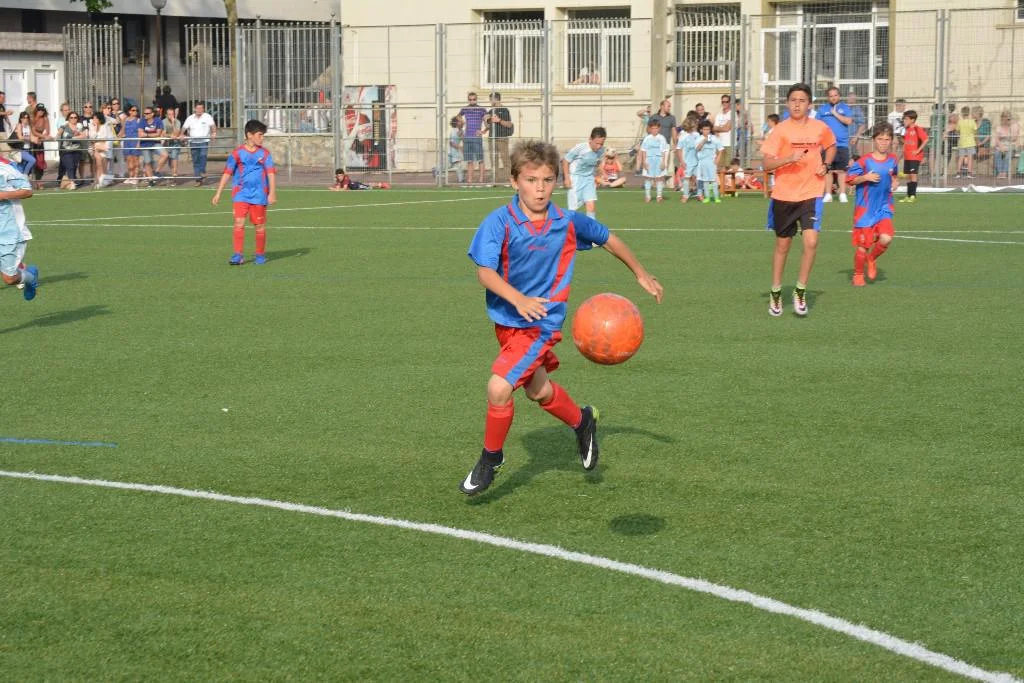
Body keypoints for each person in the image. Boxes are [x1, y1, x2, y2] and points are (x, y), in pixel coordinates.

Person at [459, 140, 664, 496]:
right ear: (514, 181)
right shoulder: (499, 222)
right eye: (531, 180)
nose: (540, 189)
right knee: (538, 390)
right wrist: (518, 299)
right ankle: (582, 421)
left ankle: (491, 459)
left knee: (498, 388)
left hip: (541, 322)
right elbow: (485, 273)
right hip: (508, 321)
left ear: (557, 180)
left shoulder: (566, 222)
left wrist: (640, 273)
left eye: (547, 180)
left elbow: (608, 238)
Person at [760, 82, 836, 317]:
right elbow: (766, 163)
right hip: (784, 195)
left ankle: (800, 290)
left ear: (809, 105)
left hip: (811, 193)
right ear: (787, 103)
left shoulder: (820, 127)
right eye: (793, 100)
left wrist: (826, 164)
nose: (797, 104)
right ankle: (775, 291)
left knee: (811, 242)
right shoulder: (780, 130)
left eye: (802, 101)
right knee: (783, 245)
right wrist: (787, 159)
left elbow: (831, 145)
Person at [212, 119, 277, 266]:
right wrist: (218, 193)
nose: (262, 138)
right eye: (260, 134)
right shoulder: (237, 153)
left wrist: (272, 193)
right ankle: (238, 255)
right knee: (238, 222)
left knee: (259, 226)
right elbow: (227, 173)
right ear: (249, 135)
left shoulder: (265, 153)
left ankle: (260, 255)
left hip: (259, 195)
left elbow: (271, 173)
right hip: (240, 194)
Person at [846, 122, 899, 287]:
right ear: (874, 140)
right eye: (880, 139)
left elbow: (894, 176)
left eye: (887, 139)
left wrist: (895, 182)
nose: (884, 143)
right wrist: (865, 177)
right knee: (863, 246)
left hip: (884, 207)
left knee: (886, 238)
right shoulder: (864, 161)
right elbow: (849, 179)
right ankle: (858, 275)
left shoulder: (893, 160)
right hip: (866, 210)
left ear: (891, 141)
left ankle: (871, 259)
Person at [0, 157, 40, 301]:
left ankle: (30, 277)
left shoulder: (5, 169)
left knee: (9, 279)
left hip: (10, 233)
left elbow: (27, 191)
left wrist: (3, 195)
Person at [816, 86, 854, 203]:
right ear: (828, 97)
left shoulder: (845, 108)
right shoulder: (822, 109)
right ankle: (828, 194)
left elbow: (849, 121)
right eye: (831, 96)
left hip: (842, 145)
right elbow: (817, 125)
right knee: (828, 170)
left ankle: (842, 194)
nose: (833, 98)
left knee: (841, 170)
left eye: (835, 95)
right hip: (827, 145)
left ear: (839, 96)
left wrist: (835, 114)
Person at [561, 126, 607, 217]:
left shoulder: (601, 150)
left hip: (589, 179)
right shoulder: (580, 148)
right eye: (597, 143)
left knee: (591, 206)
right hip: (575, 179)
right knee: (573, 209)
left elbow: (598, 163)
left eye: (601, 144)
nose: (599, 146)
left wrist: (603, 173)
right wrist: (567, 178)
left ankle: (591, 226)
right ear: (590, 139)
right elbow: (566, 161)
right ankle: (568, 225)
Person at [179, 102, 217, 186]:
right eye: (198, 108)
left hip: (204, 141)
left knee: (203, 157)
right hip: (193, 142)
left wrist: (214, 133)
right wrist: (181, 134)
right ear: (194, 109)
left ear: (203, 109)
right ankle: (198, 179)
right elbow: (184, 127)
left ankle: (202, 171)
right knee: (195, 160)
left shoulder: (207, 117)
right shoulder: (190, 118)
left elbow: (213, 126)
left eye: (201, 108)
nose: (199, 110)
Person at [898, 110, 928, 203]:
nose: (904, 120)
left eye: (906, 119)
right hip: (907, 156)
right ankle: (908, 195)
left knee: (913, 175)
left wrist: (918, 150)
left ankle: (913, 196)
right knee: (908, 176)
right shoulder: (906, 129)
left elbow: (926, 139)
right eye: (904, 119)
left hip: (915, 157)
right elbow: (906, 141)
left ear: (912, 120)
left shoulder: (917, 129)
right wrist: (901, 139)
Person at [637, 119, 670, 203]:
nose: (654, 130)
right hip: (649, 159)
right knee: (648, 178)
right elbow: (644, 150)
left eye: (656, 128)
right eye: (652, 128)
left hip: (659, 159)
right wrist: (644, 162)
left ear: (659, 129)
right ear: (650, 129)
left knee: (659, 178)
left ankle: (659, 196)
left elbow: (664, 151)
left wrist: (663, 162)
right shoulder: (647, 138)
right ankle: (648, 196)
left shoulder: (662, 138)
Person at [458, 92, 488, 184]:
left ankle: (481, 180)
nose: (472, 101)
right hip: (467, 137)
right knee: (469, 160)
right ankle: (470, 181)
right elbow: (458, 118)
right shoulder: (464, 109)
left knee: (480, 159)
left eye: (474, 99)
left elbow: (488, 122)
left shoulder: (482, 109)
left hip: (477, 137)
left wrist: (483, 131)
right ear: (468, 100)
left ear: (476, 99)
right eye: (470, 99)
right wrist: (460, 128)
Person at [55, 111, 87, 190]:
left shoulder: (79, 126)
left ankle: (67, 181)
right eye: (71, 117)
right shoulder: (64, 125)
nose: (73, 119)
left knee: (74, 166)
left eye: (75, 117)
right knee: (70, 165)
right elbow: (59, 133)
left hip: (76, 149)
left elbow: (84, 135)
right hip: (65, 150)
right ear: (68, 118)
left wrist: (73, 137)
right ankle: (72, 183)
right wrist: (57, 136)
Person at [695, 119, 724, 203]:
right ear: (701, 130)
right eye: (704, 129)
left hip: (712, 162)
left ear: (710, 130)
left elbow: (721, 149)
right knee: (705, 180)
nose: (706, 131)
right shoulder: (698, 139)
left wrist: (718, 159)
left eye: (708, 129)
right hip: (702, 162)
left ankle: (716, 197)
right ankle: (707, 197)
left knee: (713, 180)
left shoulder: (714, 138)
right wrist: (704, 141)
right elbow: (697, 149)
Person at [486, 92, 513, 182]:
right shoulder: (490, 111)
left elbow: (509, 124)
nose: (490, 101)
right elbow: (488, 126)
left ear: (496, 99)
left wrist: (499, 120)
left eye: (491, 99)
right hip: (492, 139)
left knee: (505, 159)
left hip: (502, 138)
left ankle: (508, 180)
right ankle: (495, 180)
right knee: (493, 160)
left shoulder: (504, 110)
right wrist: (485, 120)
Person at [138, 106, 166, 186]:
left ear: (152, 114)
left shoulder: (158, 120)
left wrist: (146, 135)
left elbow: (158, 134)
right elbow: (140, 133)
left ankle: (156, 172)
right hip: (145, 144)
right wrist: (151, 135)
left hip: (155, 142)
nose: (145, 115)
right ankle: (151, 180)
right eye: (144, 113)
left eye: (147, 113)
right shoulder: (142, 121)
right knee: (148, 162)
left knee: (165, 155)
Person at [676, 116, 699, 202]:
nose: (696, 126)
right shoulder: (683, 136)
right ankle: (685, 195)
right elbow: (679, 149)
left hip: (697, 160)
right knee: (686, 177)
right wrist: (681, 161)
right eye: (695, 125)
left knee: (697, 177)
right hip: (687, 161)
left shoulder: (697, 135)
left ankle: (698, 194)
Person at [157, 106, 182, 185]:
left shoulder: (178, 122)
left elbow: (177, 133)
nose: (171, 116)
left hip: (175, 143)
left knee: (174, 157)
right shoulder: (163, 121)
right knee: (170, 161)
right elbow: (163, 133)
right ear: (166, 115)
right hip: (167, 143)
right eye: (169, 114)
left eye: (172, 114)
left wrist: (173, 124)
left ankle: (174, 176)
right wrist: (170, 135)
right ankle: (172, 175)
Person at [993, 110, 1020, 179]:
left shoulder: (1014, 126)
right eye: (1004, 118)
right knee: (997, 153)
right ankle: (1000, 172)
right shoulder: (999, 127)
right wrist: (1001, 147)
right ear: (1002, 119)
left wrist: (1008, 133)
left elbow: (1014, 138)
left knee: (1008, 155)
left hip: (1011, 145)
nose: (1006, 121)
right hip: (1001, 146)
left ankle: (1004, 172)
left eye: (1008, 119)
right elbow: (997, 139)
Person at [120, 104, 142, 185]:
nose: (135, 112)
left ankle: (136, 177)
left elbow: (140, 133)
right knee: (129, 160)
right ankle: (130, 176)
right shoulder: (125, 120)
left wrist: (139, 143)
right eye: (133, 110)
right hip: (127, 142)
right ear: (129, 111)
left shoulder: (139, 120)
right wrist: (117, 137)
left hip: (135, 141)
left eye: (136, 110)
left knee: (136, 160)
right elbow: (123, 130)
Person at [955, 105, 977, 178]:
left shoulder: (960, 122)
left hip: (962, 142)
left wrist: (960, 135)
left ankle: (958, 173)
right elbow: (975, 131)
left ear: (962, 113)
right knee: (970, 158)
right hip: (970, 142)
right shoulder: (972, 121)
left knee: (961, 157)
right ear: (969, 113)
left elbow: (957, 131)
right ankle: (969, 173)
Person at [11, 112, 36, 177]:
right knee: (32, 160)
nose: (26, 119)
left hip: (28, 148)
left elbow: (31, 136)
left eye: (27, 118)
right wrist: (29, 138)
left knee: (22, 165)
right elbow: (20, 137)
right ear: (21, 119)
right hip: (20, 149)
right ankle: (25, 174)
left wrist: (37, 139)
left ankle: (18, 177)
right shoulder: (19, 125)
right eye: (24, 118)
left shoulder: (28, 126)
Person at [846, 90, 867, 156]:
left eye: (854, 98)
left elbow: (862, 125)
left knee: (853, 156)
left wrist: (856, 137)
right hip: (842, 138)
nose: (852, 100)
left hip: (852, 138)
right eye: (851, 98)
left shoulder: (858, 110)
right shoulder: (842, 108)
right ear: (847, 98)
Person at [447, 115, 464, 184]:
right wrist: (460, 147)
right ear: (456, 123)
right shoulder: (453, 131)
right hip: (452, 151)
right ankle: (436, 169)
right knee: (452, 165)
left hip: (456, 151)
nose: (462, 121)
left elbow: (462, 138)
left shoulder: (461, 130)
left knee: (455, 165)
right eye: (460, 121)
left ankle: (461, 179)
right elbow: (451, 143)